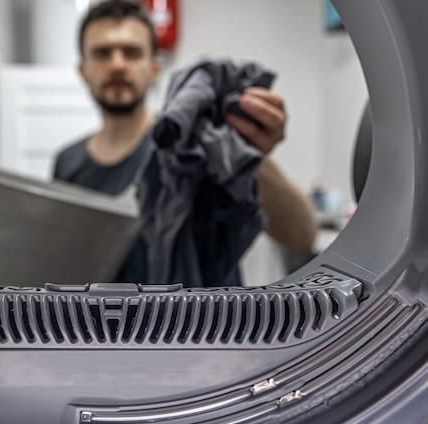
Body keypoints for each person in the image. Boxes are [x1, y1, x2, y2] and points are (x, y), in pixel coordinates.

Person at [53, 0, 317, 285]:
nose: (117, 64)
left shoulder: (193, 143)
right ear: (83, 71)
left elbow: (302, 235)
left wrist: (245, 152)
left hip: (200, 326)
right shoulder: (67, 162)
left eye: (132, 53)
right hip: (107, 327)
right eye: (103, 53)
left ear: (154, 68)